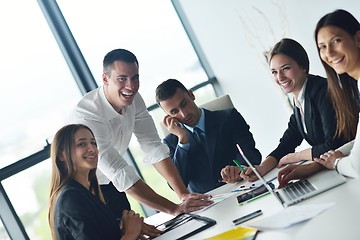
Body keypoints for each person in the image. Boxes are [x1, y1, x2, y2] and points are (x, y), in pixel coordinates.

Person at [69, 49, 212, 219]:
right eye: (122, 79)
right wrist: (174, 209)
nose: (130, 87)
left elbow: (153, 146)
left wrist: (183, 195)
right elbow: (120, 172)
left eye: (135, 78)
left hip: (112, 185)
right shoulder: (87, 116)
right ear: (105, 79)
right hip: (83, 194)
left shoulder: (134, 100)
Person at [230, 38, 349, 183]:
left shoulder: (322, 90)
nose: (280, 77)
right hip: (333, 172)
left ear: (303, 66)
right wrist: (261, 169)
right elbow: (287, 142)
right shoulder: (300, 99)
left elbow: (334, 144)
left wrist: (296, 156)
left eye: (285, 68)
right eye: (274, 72)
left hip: (347, 167)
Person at [278, 9, 360, 185]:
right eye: (322, 47)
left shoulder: (322, 90)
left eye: (336, 41)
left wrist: (336, 162)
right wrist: (316, 165)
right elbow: (357, 143)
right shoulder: (354, 86)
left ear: (358, 38)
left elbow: (356, 166)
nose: (329, 53)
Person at [155, 79, 261, 193]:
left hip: (243, 188)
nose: (184, 114)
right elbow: (177, 184)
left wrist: (240, 169)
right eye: (175, 112)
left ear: (191, 95)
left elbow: (252, 154)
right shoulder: (171, 142)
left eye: (184, 104)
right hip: (206, 203)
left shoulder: (229, 117)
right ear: (168, 116)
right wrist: (182, 140)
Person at [48, 124, 143, 240]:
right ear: (61, 155)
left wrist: (123, 228)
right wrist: (130, 234)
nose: (92, 149)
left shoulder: (87, 191)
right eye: (81, 144)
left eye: (93, 143)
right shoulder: (70, 198)